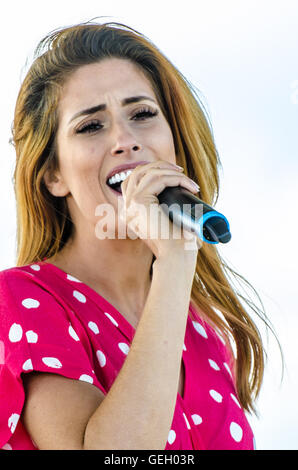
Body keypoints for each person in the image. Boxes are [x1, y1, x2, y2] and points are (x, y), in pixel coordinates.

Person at [0, 20, 266, 450]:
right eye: (90, 126)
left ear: (173, 141)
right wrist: (177, 258)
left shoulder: (209, 332)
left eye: (142, 114)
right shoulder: (23, 298)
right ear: (53, 174)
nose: (125, 140)